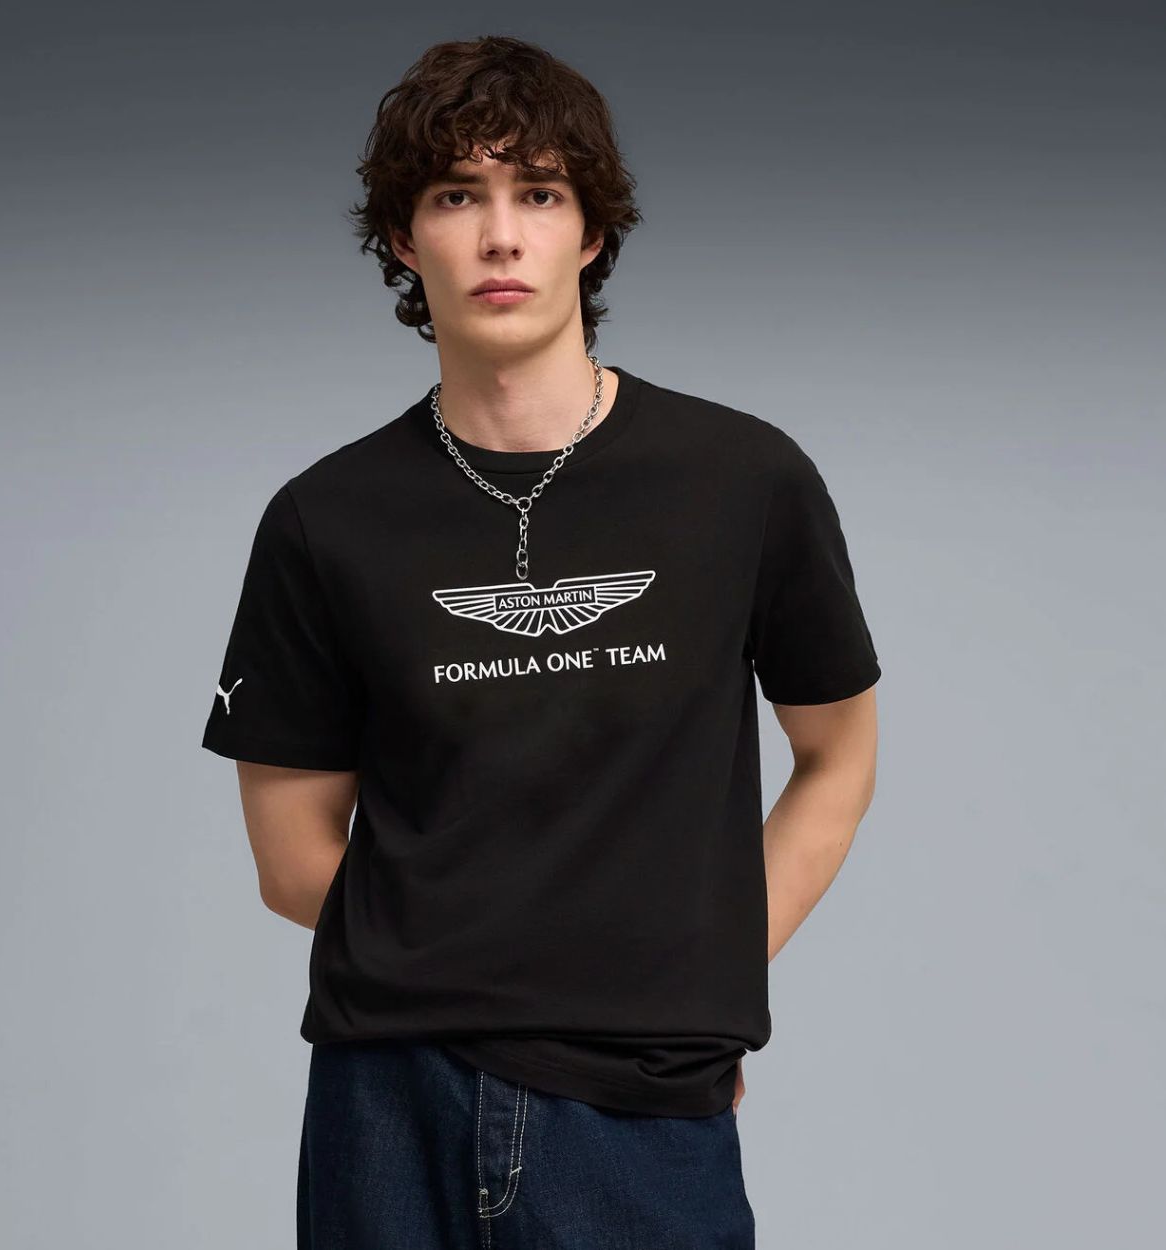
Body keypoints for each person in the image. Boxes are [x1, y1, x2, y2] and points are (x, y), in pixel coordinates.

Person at [201, 33, 881, 1250]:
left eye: (539, 193)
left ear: (592, 231)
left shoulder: (740, 479)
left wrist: (702, 970)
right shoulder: (325, 517)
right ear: (404, 238)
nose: (500, 236)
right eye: (456, 195)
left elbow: (837, 754)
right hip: (388, 1097)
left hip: (638, 1108)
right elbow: (291, 857)